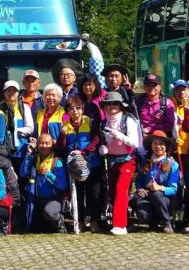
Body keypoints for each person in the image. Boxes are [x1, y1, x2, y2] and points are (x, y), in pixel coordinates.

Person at [99, 91, 141, 235]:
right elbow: (103, 142)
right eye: (108, 104)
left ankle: (119, 225)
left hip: (127, 161)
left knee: (121, 191)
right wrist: (102, 148)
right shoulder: (103, 123)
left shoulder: (128, 120)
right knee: (113, 192)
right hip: (111, 161)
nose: (112, 107)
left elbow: (134, 143)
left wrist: (119, 135)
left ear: (120, 106)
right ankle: (126, 222)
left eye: (115, 104)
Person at [60, 94, 103, 232]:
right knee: (77, 193)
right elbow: (61, 147)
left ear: (82, 109)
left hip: (92, 163)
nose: (75, 111)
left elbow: (96, 140)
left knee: (94, 193)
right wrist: (62, 135)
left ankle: (95, 220)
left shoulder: (90, 122)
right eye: (71, 108)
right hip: (74, 166)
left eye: (78, 108)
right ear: (67, 111)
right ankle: (79, 220)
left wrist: (83, 151)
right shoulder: (65, 126)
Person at [130, 130, 181, 233]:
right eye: (155, 143)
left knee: (156, 194)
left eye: (161, 143)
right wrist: (139, 189)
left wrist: (159, 188)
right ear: (151, 145)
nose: (158, 146)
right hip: (146, 196)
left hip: (164, 198)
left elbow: (174, 189)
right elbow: (138, 180)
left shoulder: (173, 164)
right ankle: (154, 221)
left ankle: (167, 223)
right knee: (143, 216)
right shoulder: (145, 161)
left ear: (166, 146)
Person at [20, 132, 69, 233]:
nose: (44, 146)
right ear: (37, 144)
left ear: (52, 145)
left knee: (49, 211)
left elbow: (63, 185)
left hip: (54, 199)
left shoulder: (57, 161)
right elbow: (23, 173)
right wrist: (29, 154)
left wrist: (48, 173)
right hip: (37, 199)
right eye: (41, 143)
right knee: (34, 226)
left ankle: (60, 224)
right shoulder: (34, 158)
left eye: (47, 143)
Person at [137, 74, 177, 141]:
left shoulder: (167, 103)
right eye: (148, 85)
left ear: (160, 87)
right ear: (144, 87)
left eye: (154, 85)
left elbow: (169, 126)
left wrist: (150, 129)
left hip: (161, 141)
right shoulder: (140, 102)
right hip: (142, 140)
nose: (151, 87)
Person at [0, 80, 33, 155]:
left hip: (22, 149)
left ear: (18, 93)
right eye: (8, 90)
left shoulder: (24, 107)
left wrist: (14, 130)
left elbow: (30, 128)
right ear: (4, 92)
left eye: (14, 90)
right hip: (4, 149)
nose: (11, 93)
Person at [34, 83, 66, 150]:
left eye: (54, 95)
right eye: (48, 95)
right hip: (41, 149)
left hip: (57, 149)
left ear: (59, 98)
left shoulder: (64, 113)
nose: (51, 98)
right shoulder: (40, 113)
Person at [171, 79, 189, 172]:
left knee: (188, 177)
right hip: (173, 148)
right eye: (178, 90)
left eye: (184, 90)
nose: (182, 92)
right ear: (174, 92)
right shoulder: (169, 105)